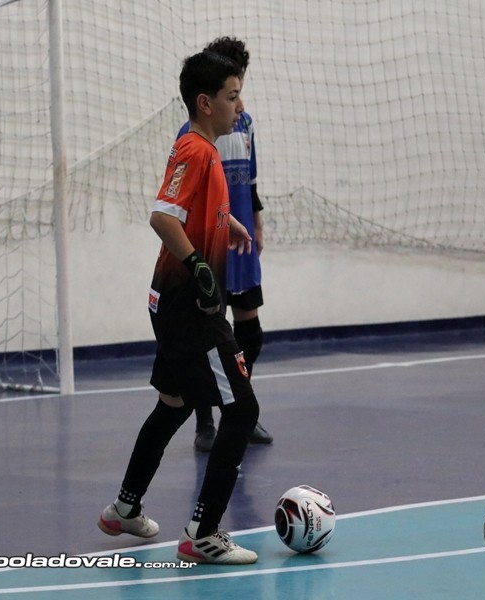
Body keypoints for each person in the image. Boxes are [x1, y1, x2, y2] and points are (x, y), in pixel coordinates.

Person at [97, 50, 260, 565]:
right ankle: (204, 533)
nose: (240, 106)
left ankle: (125, 508)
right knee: (242, 410)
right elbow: (162, 217)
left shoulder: (202, 149)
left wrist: (225, 222)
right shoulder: (195, 150)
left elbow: (190, 211)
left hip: (171, 300)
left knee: (175, 402)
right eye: (233, 96)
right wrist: (200, 267)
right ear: (205, 103)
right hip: (190, 305)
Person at [177, 37, 273, 452]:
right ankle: (205, 422)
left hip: (241, 241)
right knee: (208, 336)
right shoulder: (195, 135)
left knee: (250, 332)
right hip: (210, 244)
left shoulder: (245, 124)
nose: (238, 101)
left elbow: (250, 181)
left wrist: (256, 222)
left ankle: (240, 409)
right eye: (233, 92)